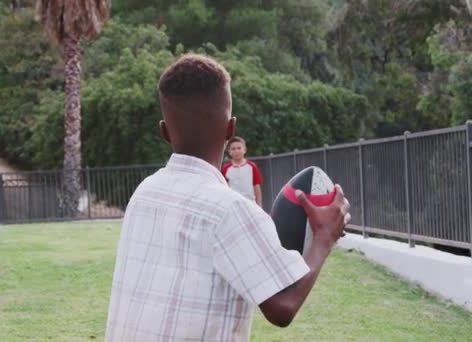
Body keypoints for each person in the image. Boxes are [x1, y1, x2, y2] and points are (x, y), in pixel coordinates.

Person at [105, 54, 351, 341]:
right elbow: (282, 307)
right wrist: (323, 237)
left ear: (164, 132)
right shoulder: (230, 209)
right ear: (231, 129)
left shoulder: (145, 192)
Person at [221, 136, 263, 206]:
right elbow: (223, 188)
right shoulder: (226, 168)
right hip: (233, 205)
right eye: (233, 149)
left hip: (250, 204)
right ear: (229, 152)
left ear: (245, 150)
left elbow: (256, 187)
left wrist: (259, 205)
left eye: (239, 148)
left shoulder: (252, 166)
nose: (236, 151)